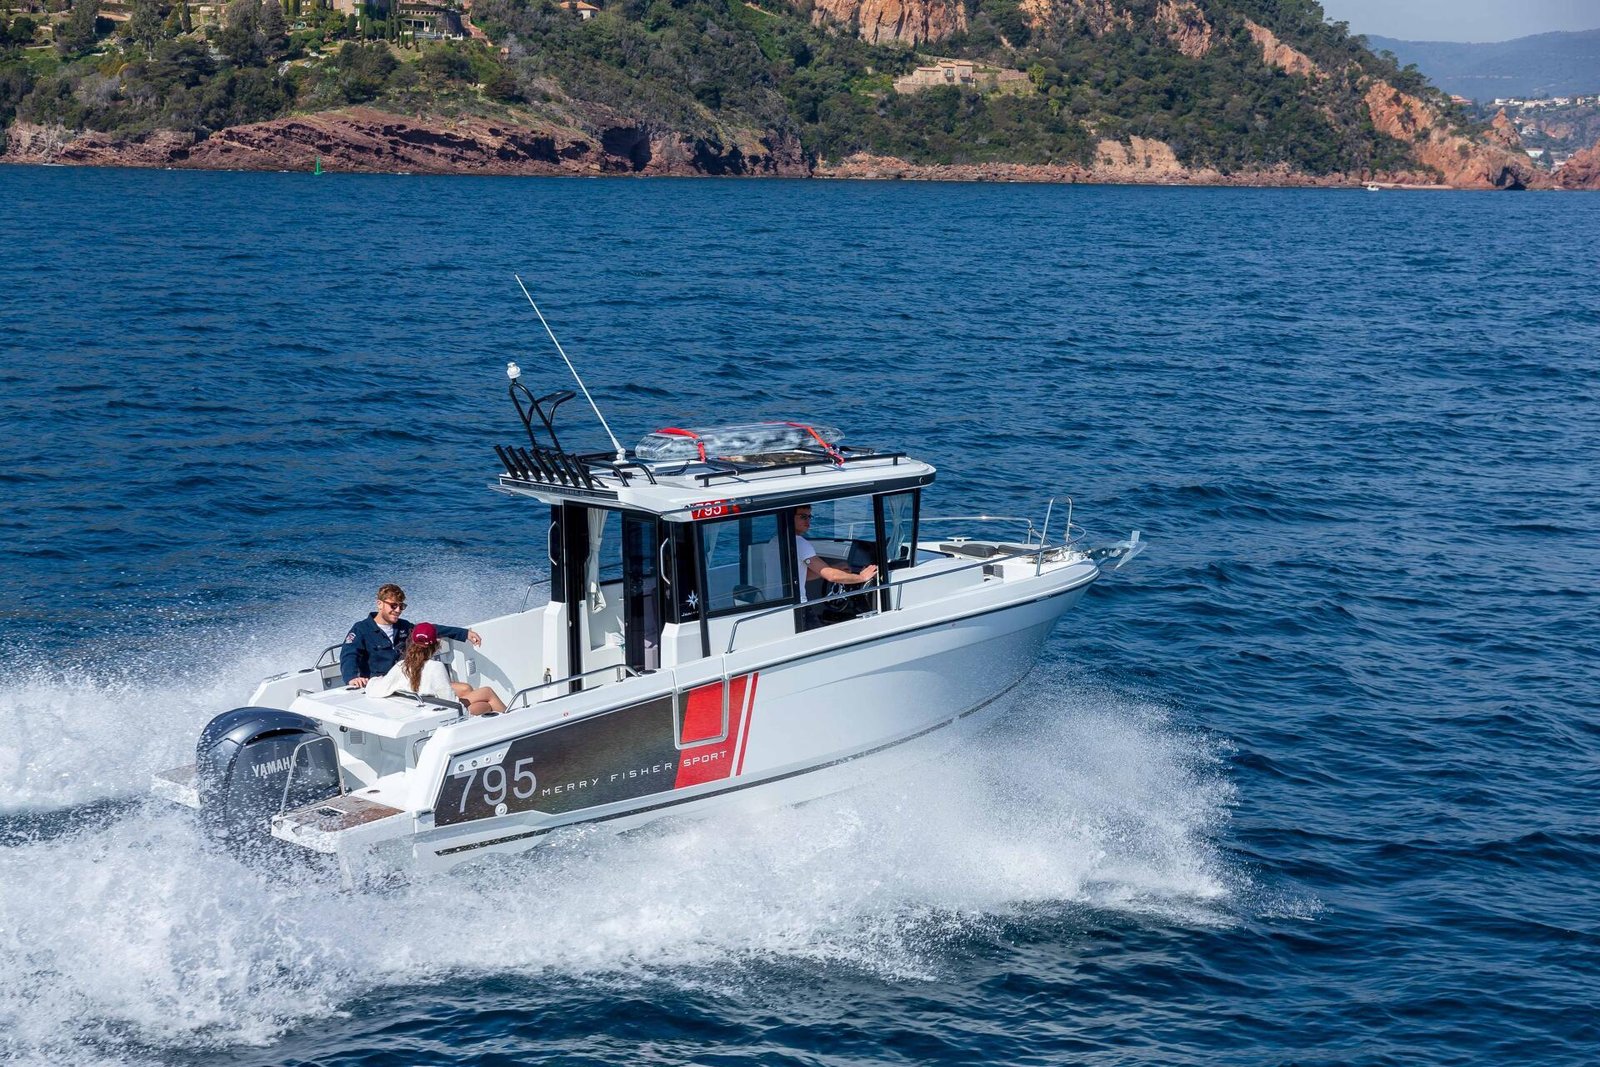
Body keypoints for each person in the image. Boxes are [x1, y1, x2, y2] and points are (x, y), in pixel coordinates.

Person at [340, 583, 482, 687]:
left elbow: (429, 629)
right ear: (379, 604)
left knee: (463, 688)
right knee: (464, 689)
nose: (398, 610)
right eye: (393, 605)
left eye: (401, 606)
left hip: (405, 682)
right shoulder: (361, 629)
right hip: (380, 685)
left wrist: (464, 633)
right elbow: (349, 654)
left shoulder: (403, 626)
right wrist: (351, 678)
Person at [365, 623, 507, 716]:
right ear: (435, 645)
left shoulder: (401, 666)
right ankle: (510, 723)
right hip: (447, 715)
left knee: (466, 688)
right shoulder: (436, 668)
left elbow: (375, 690)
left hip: (423, 707)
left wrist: (373, 680)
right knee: (487, 695)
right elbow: (450, 702)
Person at [794, 505, 878, 630]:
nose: (808, 521)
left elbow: (803, 576)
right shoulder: (801, 544)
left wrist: (832, 567)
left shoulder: (776, 541)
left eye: (809, 517)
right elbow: (832, 576)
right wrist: (862, 577)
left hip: (788, 608)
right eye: (803, 517)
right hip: (800, 607)